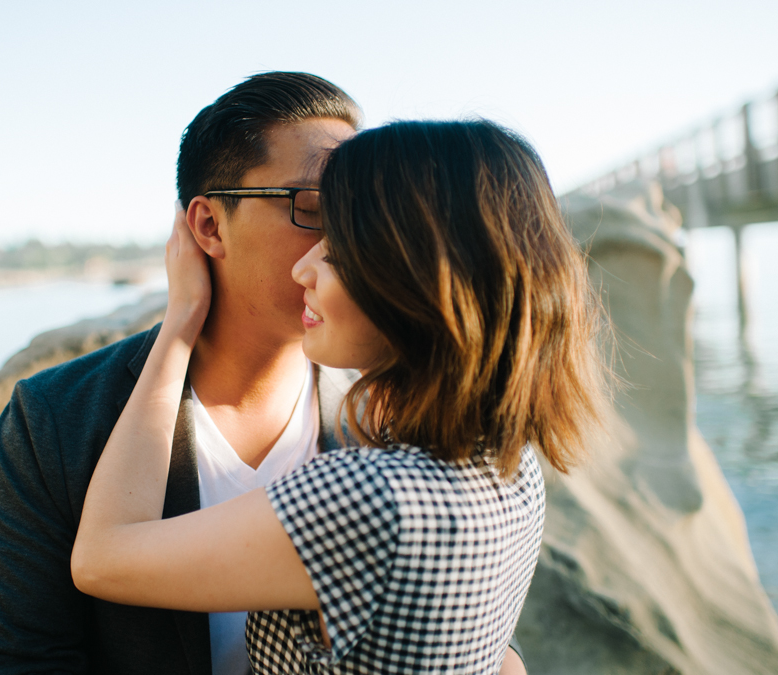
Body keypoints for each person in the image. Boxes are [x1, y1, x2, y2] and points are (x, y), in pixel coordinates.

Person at [0, 71, 528, 675]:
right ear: (207, 226)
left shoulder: (394, 423)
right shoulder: (57, 421)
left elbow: (474, 635)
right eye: (319, 207)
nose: (345, 242)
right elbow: (3, 659)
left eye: (362, 212)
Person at [71, 120, 610, 673]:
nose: (305, 266)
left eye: (339, 247)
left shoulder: (366, 497)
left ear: (415, 275)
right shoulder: (512, 467)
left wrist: (180, 320)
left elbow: (100, 557)